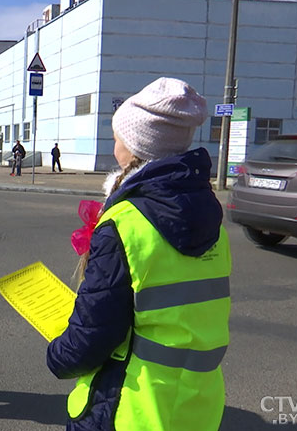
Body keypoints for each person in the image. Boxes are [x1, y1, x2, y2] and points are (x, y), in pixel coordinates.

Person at [46, 77, 231, 430]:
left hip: (128, 406)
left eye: (118, 135)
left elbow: (94, 334)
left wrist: (57, 357)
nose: (114, 141)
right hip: (195, 405)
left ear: (134, 146)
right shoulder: (213, 220)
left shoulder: (124, 223)